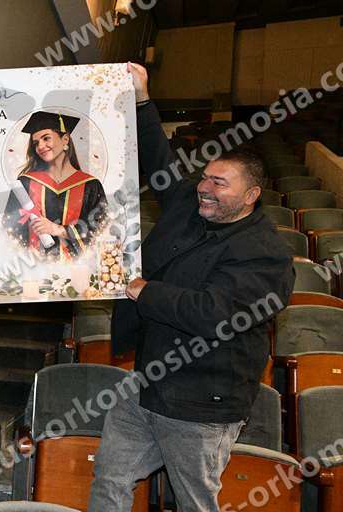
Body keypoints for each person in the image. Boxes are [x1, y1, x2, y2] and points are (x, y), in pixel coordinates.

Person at [87, 64, 295, 510]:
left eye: (219, 183)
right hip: (148, 386)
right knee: (109, 477)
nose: (204, 188)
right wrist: (142, 99)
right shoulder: (189, 205)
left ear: (251, 195)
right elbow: (159, 159)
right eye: (204, 178)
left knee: (194, 502)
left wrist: (142, 289)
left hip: (203, 405)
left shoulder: (266, 255)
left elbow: (213, 313)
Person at [3, 111, 108, 259]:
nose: (40, 146)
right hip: (36, 266)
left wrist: (58, 229)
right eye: (36, 143)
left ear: (65, 139)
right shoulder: (26, 183)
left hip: (79, 266)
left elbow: (102, 228)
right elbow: (10, 229)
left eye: (46, 138)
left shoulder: (90, 185)